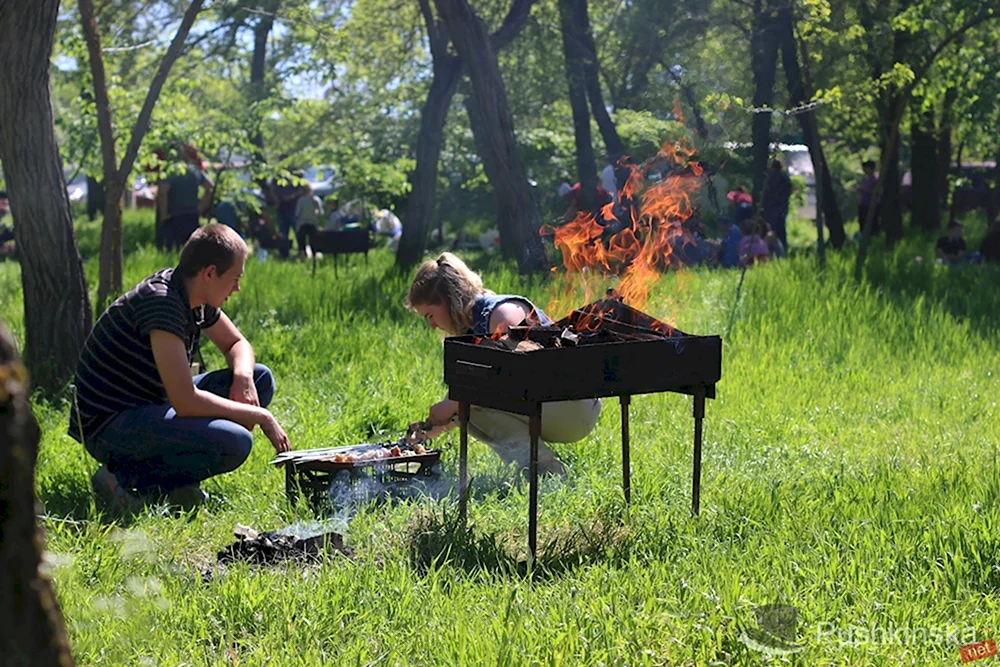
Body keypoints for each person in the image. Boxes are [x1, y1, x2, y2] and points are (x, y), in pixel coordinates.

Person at [69, 224, 291, 511]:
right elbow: (185, 400)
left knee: (260, 378)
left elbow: (236, 343)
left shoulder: (194, 294)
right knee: (235, 442)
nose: (237, 288)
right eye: (235, 278)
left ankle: (175, 483)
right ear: (210, 273)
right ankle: (121, 478)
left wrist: (243, 377)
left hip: (151, 403)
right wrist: (260, 415)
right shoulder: (163, 303)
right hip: (109, 424)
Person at [405, 252, 602, 476]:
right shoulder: (473, 324)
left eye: (430, 315)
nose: (432, 325)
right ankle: (539, 468)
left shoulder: (501, 314)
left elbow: (521, 376)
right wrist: (434, 426)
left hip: (574, 407)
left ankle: (547, 472)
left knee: (469, 399)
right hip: (555, 406)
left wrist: (454, 402)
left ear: (448, 300)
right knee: (466, 405)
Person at [158, 147, 213, 250]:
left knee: (172, 250)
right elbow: (210, 187)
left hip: (173, 216)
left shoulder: (170, 171)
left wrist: (163, 214)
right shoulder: (195, 170)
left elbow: (162, 192)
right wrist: (201, 207)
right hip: (192, 216)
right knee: (190, 252)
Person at [762, 160, 792, 250]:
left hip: (773, 206)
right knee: (781, 228)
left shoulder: (771, 177)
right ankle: (783, 247)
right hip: (782, 205)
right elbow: (788, 190)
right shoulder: (785, 176)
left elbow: (767, 192)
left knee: (773, 227)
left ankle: (774, 248)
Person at [858, 160, 880, 235]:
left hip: (871, 203)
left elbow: (877, 191)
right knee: (862, 221)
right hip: (863, 203)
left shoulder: (876, 179)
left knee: (872, 221)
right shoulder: (864, 178)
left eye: (866, 168)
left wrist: (865, 190)